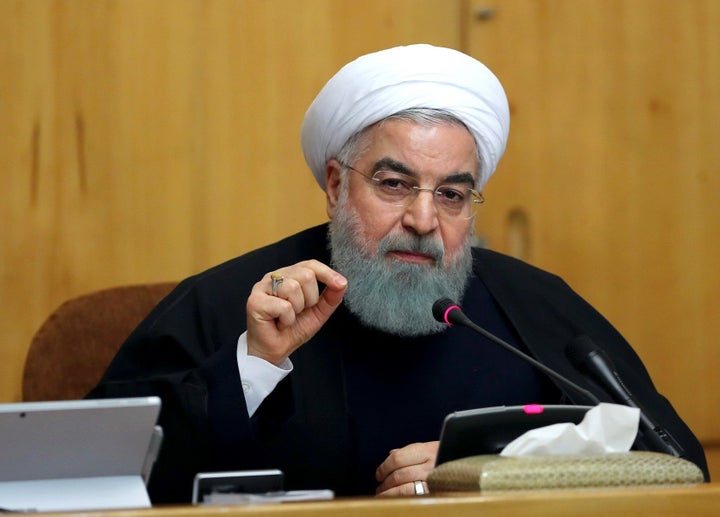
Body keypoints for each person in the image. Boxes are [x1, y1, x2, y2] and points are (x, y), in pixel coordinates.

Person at [87, 44, 708, 503]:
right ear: (335, 185)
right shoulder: (234, 300)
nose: (422, 218)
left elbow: (675, 464)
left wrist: (491, 469)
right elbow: (95, 475)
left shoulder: (533, 306)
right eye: (394, 183)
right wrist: (253, 366)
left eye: (453, 195)